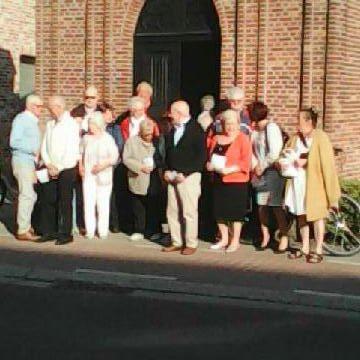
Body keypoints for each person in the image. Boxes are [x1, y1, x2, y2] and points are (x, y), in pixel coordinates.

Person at [283, 108, 341, 263]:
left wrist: (332, 195)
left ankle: (319, 249)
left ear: (309, 121)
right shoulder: (296, 138)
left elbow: (327, 165)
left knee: (317, 216)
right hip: (298, 182)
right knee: (301, 215)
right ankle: (305, 247)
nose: (297, 123)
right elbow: (284, 153)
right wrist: (285, 160)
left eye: (300, 119)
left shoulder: (321, 138)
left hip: (314, 184)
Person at [162, 100, 207, 255]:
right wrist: (167, 170)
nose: (170, 115)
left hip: (189, 176)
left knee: (189, 211)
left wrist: (185, 173)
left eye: (172, 113)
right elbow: (168, 152)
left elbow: (201, 157)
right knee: (172, 210)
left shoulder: (196, 129)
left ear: (179, 113)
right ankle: (176, 240)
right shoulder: (172, 130)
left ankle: (191, 242)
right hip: (173, 174)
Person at [207, 110, 252, 252]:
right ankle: (224, 238)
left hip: (237, 180)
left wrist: (231, 169)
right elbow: (210, 156)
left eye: (233, 124)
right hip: (219, 180)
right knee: (219, 211)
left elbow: (246, 162)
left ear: (238, 124)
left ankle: (235, 240)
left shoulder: (243, 139)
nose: (230, 127)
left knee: (235, 213)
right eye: (227, 124)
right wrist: (209, 165)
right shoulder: (216, 138)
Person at [39, 96, 80, 245]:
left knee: (65, 201)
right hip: (51, 168)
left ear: (59, 107)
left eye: (51, 108)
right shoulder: (50, 124)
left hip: (66, 168)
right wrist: (49, 164)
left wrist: (59, 167)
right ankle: (49, 231)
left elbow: (71, 149)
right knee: (49, 199)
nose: (50, 112)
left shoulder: (71, 125)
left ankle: (65, 233)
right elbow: (44, 145)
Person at [250, 101, 289, 253]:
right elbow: (251, 150)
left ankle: (284, 235)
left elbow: (274, 152)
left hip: (272, 171)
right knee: (261, 206)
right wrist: (255, 166)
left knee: (275, 205)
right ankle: (265, 235)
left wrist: (262, 165)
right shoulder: (255, 131)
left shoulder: (271, 128)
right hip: (259, 171)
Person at [79, 112, 119, 240]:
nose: (91, 127)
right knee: (89, 202)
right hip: (89, 174)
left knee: (103, 203)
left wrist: (103, 165)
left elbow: (114, 157)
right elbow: (80, 153)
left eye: (93, 124)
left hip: (103, 174)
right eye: (90, 124)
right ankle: (90, 230)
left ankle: (102, 230)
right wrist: (81, 166)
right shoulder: (86, 138)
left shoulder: (107, 138)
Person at [122, 119, 162, 241]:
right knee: (138, 205)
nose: (148, 137)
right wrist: (140, 167)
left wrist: (154, 165)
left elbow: (161, 157)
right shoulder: (132, 142)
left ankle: (153, 230)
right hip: (137, 177)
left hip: (153, 176)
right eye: (146, 135)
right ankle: (138, 229)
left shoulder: (158, 141)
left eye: (150, 134)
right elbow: (126, 158)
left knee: (153, 205)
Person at [10, 94, 43, 241]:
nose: (41, 109)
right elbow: (14, 142)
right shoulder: (22, 119)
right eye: (38, 106)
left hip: (29, 162)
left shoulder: (32, 121)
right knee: (27, 194)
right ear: (30, 105)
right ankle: (22, 229)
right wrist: (33, 149)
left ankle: (26, 225)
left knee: (31, 195)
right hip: (23, 161)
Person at [70, 85, 102, 235]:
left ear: (97, 98)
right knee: (81, 193)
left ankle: (98, 225)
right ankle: (81, 223)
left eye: (92, 97)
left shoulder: (102, 112)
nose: (89, 100)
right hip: (81, 156)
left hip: (98, 158)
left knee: (99, 194)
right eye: (87, 97)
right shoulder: (75, 113)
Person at [100, 102, 124, 233]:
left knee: (112, 195)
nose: (111, 116)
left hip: (112, 165)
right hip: (98, 166)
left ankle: (114, 222)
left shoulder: (115, 128)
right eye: (108, 113)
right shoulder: (94, 128)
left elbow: (119, 145)